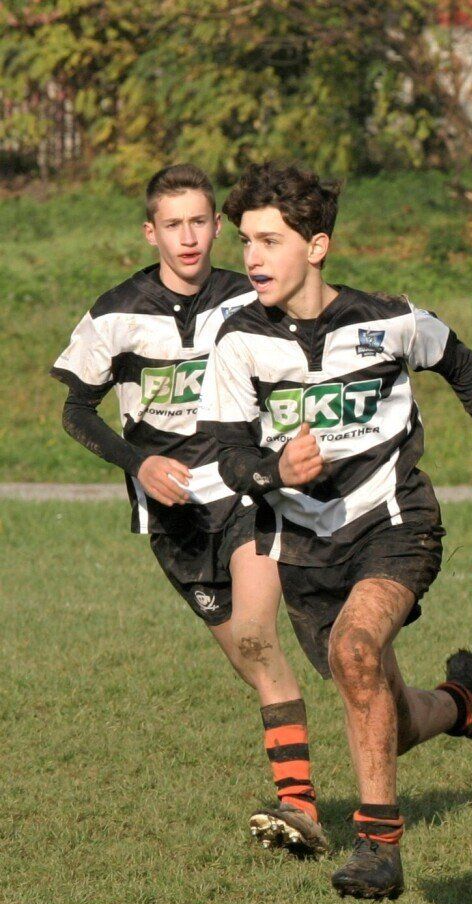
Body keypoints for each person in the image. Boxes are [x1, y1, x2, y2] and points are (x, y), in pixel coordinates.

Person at [201, 161, 472, 900]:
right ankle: (467, 705)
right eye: (246, 242)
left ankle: (378, 848)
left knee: (357, 651)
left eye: (269, 240)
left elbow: (468, 369)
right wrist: (273, 470)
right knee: (382, 705)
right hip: (305, 553)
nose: (252, 258)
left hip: (394, 524)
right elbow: (225, 456)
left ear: (316, 246)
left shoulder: (388, 321)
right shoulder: (236, 342)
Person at [49, 163, 324, 856]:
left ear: (217, 226)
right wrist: (136, 461)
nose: (189, 236)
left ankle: (299, 807)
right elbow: (75, 410)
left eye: (200, 221)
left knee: (260, 636)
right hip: (171, 521)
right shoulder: (116, 312)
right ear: (152, 232)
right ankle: (454, 710)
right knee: (254, 664)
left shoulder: (252, 300)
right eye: (173, 225)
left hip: (245, 495)